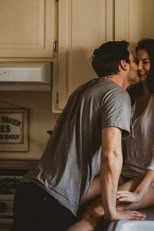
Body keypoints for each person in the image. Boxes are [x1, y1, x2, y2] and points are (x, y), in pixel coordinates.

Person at [11, 40, 146, 231]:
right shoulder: (117, 95)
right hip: (51, 201)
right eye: (133, 60)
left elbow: (58, 131)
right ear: (123, 64)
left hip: (29, 190)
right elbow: (111, 154)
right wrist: (110, 211)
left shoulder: (83, 90)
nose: (138, 67)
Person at [67, 38, 154, 231]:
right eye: (137, 61)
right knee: (74, 195)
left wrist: (139, 193)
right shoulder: (129, 96)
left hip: (153, 180)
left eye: (145, 62)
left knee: (95, 211)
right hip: (125, 173)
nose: (139, 67)